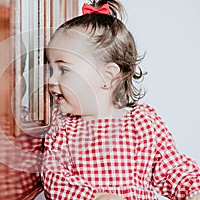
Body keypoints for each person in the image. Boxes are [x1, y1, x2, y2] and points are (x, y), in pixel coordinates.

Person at [41, 0, 200, 199]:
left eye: (63, 70)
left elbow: (173, 169)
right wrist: (95, 197)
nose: (51, 80)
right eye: (50, 70)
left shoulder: (144, 123)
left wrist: (193, 191)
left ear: (108, 76)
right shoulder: (63, 127)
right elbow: (54, 177)